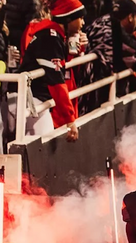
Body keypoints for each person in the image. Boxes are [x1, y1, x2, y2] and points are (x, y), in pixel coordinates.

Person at [10, 0, 84, 141]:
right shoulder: (50, 39)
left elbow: (60, 66)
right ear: (68, 18)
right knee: (43, 143)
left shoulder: (53, 35)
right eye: (80, 18)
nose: (83, 23)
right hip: (27, 99)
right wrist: (70, 120)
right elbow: (56, 82)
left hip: (29, 98)